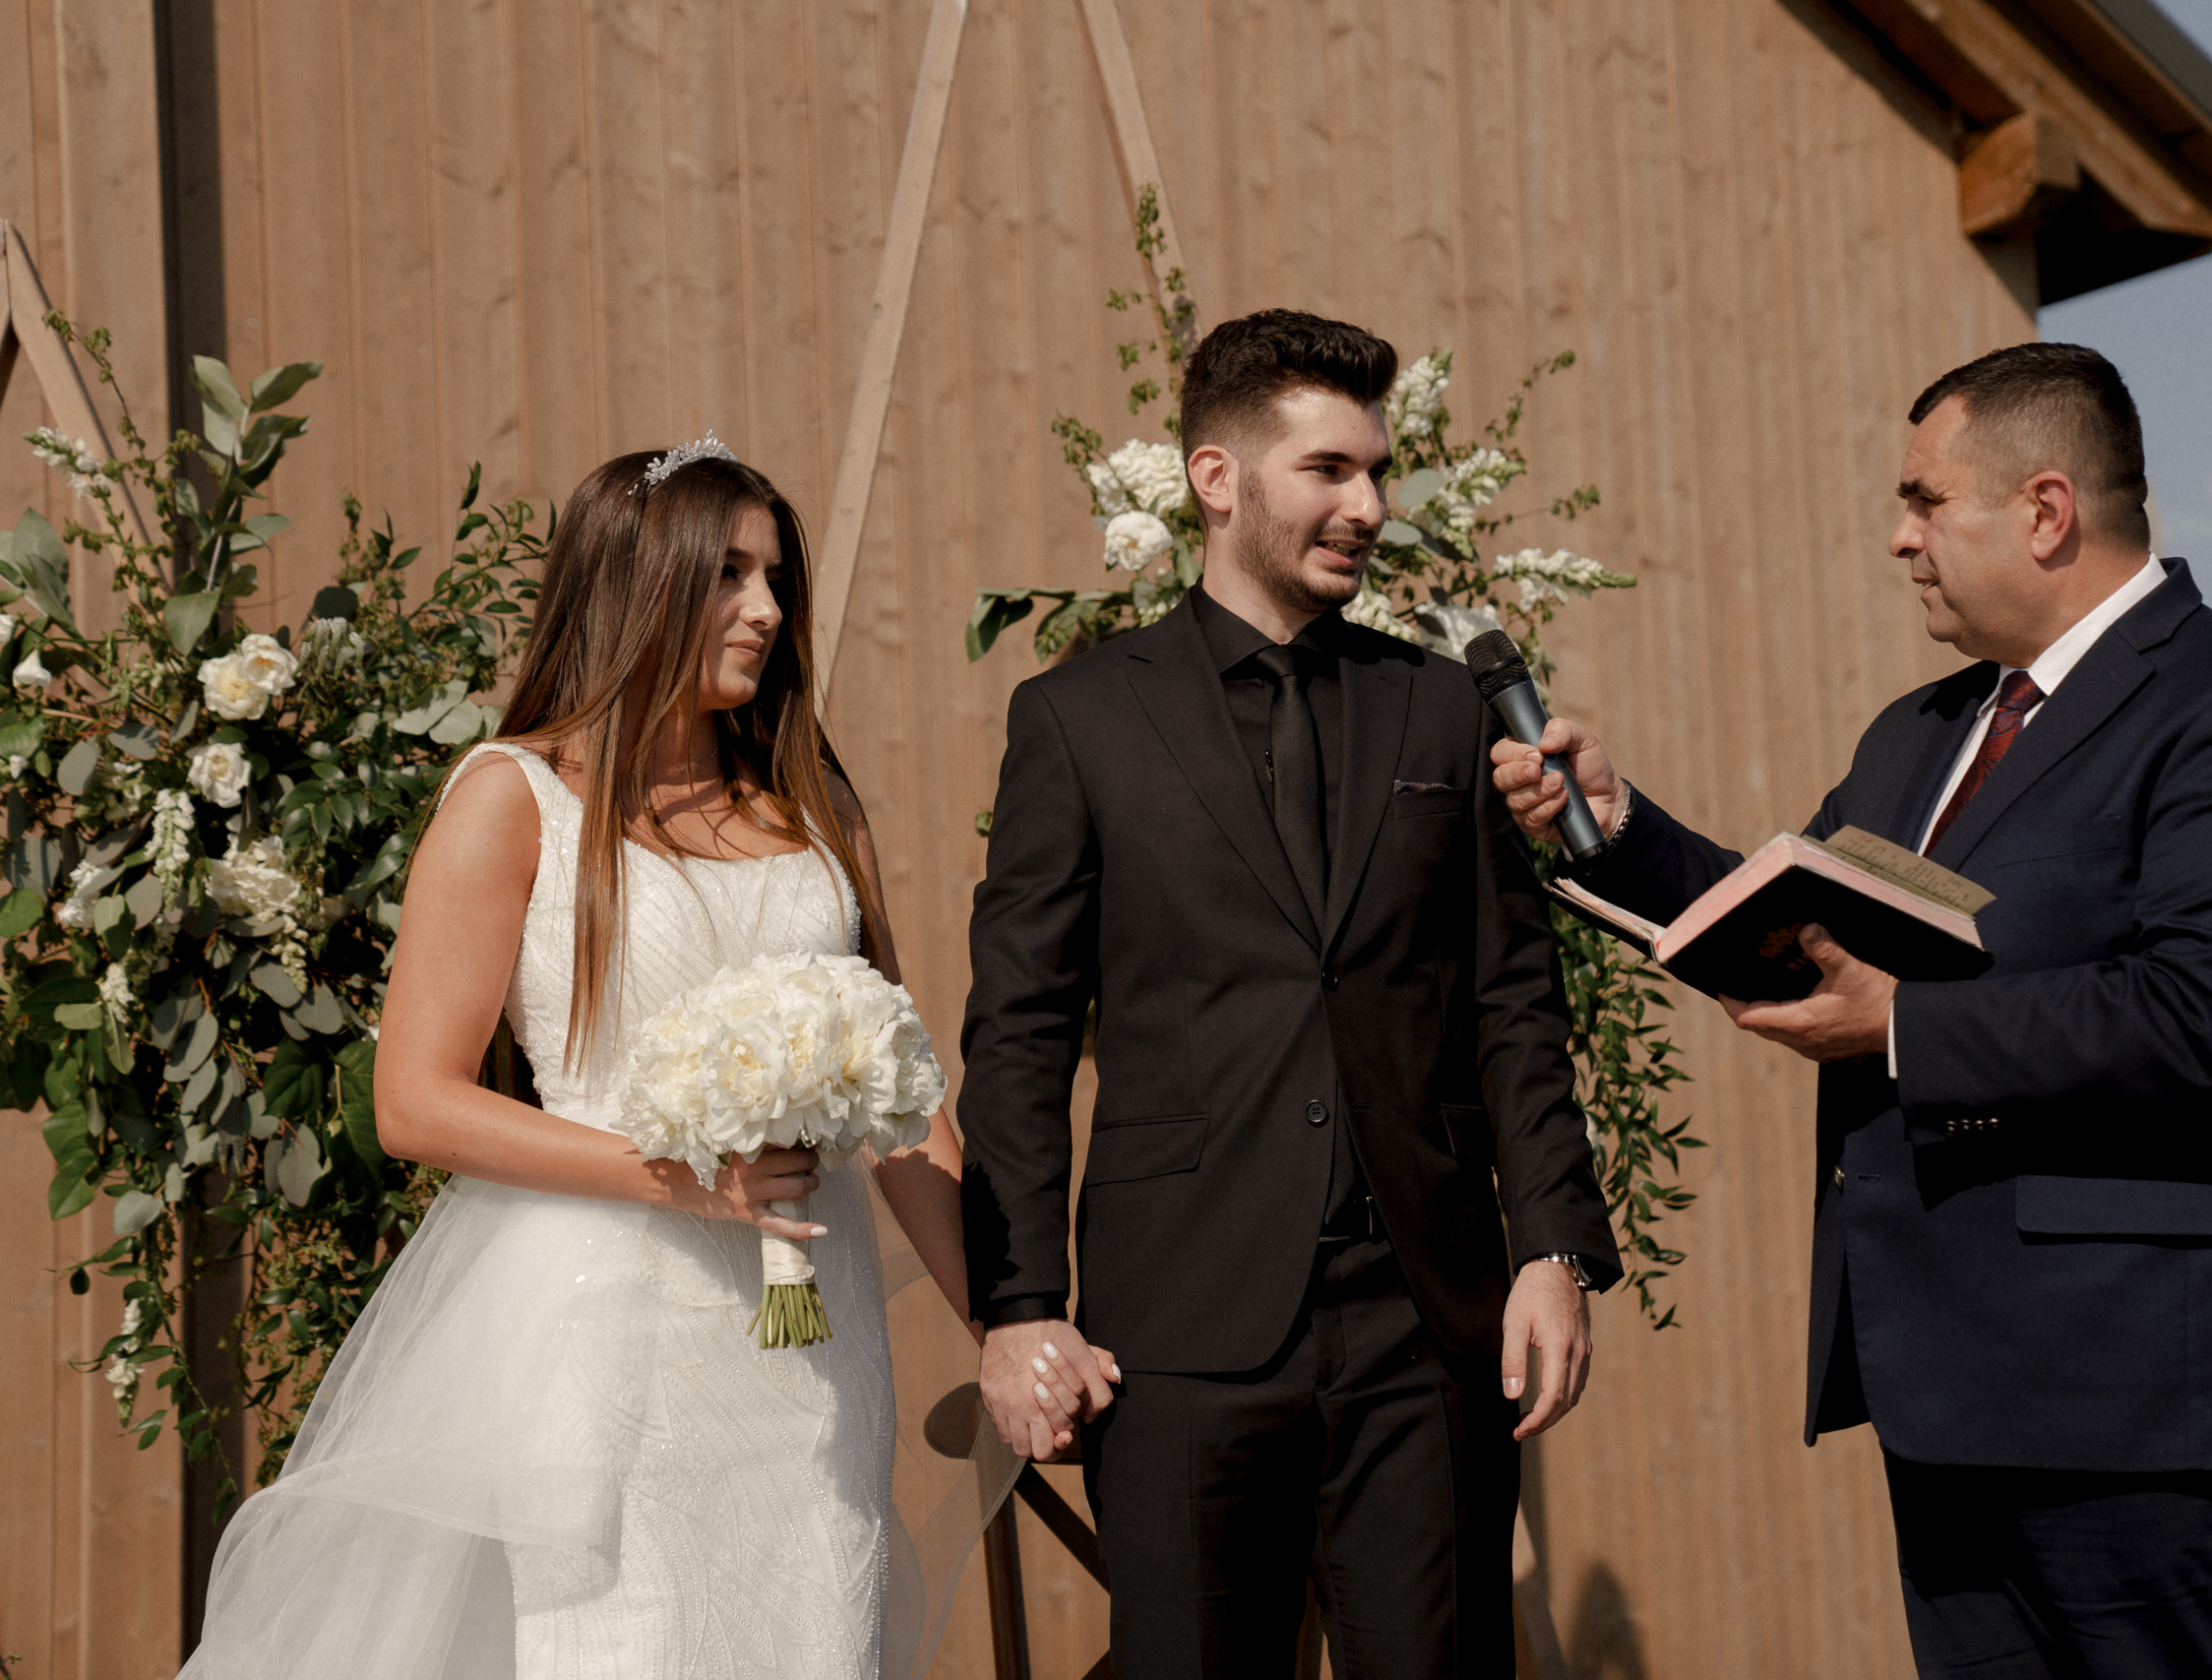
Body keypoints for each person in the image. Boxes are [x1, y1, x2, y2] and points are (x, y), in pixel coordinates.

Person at [1494, 342, 2212, 1678]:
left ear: (2044, 508)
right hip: (1945, 1388)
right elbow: (1810, 930)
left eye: (1923, 500)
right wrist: (1618, 831)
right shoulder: (1922, 733)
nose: (1896, 537)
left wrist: (1904, 1028)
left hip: (2145, 1404)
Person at [182, 439, 1088, 1680]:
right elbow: (415, 1102)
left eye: (774, 577)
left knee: (816, 1625)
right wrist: (681, 1178)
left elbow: (900, 1097)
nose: (767, 609)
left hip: (816, 1355)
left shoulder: (815, 803)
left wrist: (1009, 1322)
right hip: (612, 1336)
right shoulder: (513, 797)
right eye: (726, 574)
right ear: (633, 582)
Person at [957, 309, 1622, 1679]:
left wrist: (1552, 1242)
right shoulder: (1076, 719)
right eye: (1329, 469)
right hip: (1178, 1331)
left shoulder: (1443, 710)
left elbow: (1512, 1002)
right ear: (1217, 479)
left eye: (1375, 470)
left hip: (1424, 1328)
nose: (1369, 505)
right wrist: (1020, 1303)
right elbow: (1017, 1032)